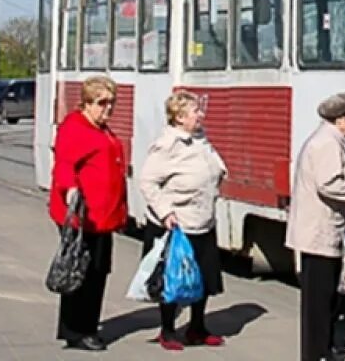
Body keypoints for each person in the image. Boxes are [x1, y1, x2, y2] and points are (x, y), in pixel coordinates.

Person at [285, 92, 345, 361]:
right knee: (318, 302)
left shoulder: (327, 140)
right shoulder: (327, 143)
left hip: (322, 230)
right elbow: (329, 185)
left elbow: (332, 178)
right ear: (342, 120)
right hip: (319, 232)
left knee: (325, 298)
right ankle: (314, 354)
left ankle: (322, 350)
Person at [139, 91, 228, 350]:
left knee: (204, 277)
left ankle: (197, 328)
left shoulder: (200, 140)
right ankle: (167, 330)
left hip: (202, 221)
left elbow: (216, 167)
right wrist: (166, 212)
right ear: (179, 117)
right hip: (175, 224)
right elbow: (148, 182)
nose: (200, 115)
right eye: (194, 111)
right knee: (173, 279)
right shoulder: (167, 146)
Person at [49, 75, 128, 352]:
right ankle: (76, 331)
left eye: (111, 103)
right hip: (82, 217)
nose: (108, 108)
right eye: (102, 103)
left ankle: (88, 326)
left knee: (98, 271)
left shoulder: (102, 129)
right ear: (86, 103)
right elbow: (63, 166)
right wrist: (70, 190)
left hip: (103, 217)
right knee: (80, 272)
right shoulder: (75, 128)